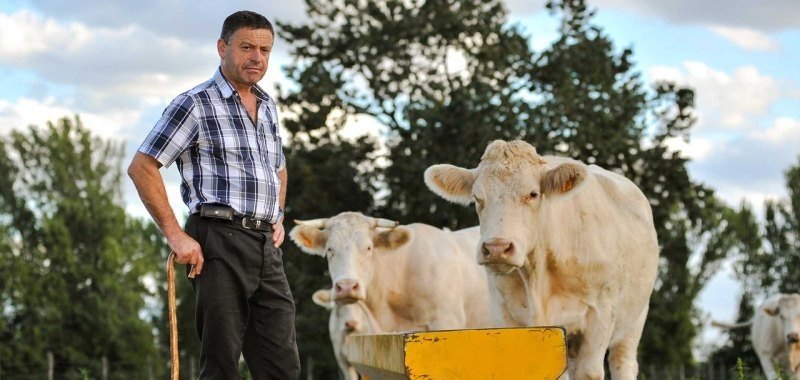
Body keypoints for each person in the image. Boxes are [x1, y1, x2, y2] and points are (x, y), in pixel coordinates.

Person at [127, 10, 300, 379]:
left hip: (266, 247)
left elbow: (279, 168)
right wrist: (176, 236)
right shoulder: (195, 103)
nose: (257, 57)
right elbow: (142, 167)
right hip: (218, 241)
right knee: (222, 363)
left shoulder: (268, 106)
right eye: (247, 47)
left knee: (282, 366)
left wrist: (279, 215)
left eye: (265, 50)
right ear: (223, 48)